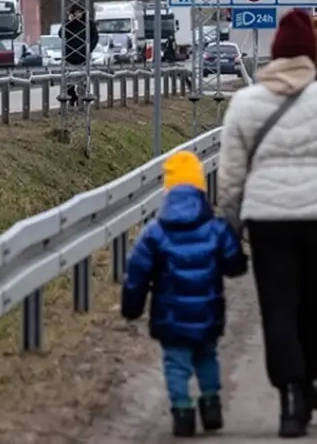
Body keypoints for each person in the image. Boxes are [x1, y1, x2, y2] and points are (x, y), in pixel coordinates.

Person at [215, 9, 317, 438]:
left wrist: (229, 227)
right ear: (313, 56)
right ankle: (307, 382)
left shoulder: (246, 103)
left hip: (267, 221)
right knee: (312, 304)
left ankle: (288, 392)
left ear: (274, 54)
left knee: (278, 306)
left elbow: (230, 175)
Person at [121, 150, 249, 437]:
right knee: (207, 356)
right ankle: (211, 402)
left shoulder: (154, 233)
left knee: (176, 363)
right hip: (207, 313)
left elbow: (137, 274)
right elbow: (234, 263)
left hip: (170, 317)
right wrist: (239, 262)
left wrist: (132, 307)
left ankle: (182, 410)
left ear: (167, 191)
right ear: (200, 187)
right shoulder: (215, 229)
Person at [62, 4, 97, 104]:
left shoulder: (89, 23)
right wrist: (69, 22)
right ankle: (72, 97)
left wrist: (89, 49)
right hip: (70, 56)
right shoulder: (68, 23)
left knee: (83, 80)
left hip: (83, 57)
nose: (78, 14)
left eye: (80, 12)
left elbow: (95, 37)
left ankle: (82, 100)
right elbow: (61, 34)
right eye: (76, 12)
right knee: (68, 82)